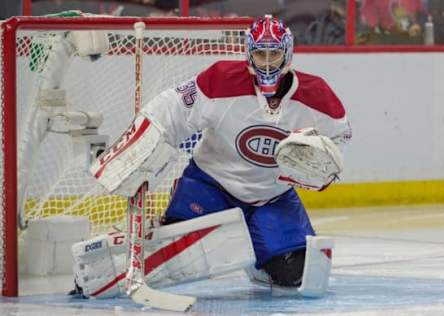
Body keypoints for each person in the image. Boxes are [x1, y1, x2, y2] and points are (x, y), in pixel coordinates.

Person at [71, 15, 351, 299]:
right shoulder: (220, 80)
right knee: (175, 257)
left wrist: (317, 158)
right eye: (260, 53)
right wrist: (144, 141)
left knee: (294, 274)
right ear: (248, 53)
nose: (267, 62)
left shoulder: (317, 96)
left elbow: (339, 138)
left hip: (272, 197)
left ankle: (258, 257)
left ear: (288, 53)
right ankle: (108, 266)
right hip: (212, 185)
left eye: (274, 53)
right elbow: (171, 108)